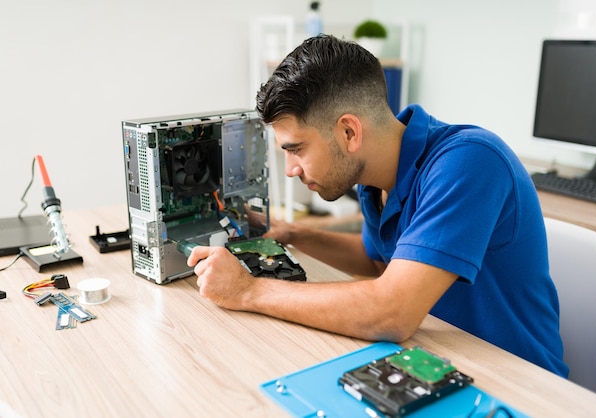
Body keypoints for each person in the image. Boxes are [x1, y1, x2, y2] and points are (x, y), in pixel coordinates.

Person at [187, 34, 569, 377]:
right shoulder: (375, 179)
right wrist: (292, 234)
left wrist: (248, 291)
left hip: (518, 382)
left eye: (296, 149)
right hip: (436, 361)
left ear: (349, 132)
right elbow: (377, 261)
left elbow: (392, 311)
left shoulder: (469, 162)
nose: (291, 170)